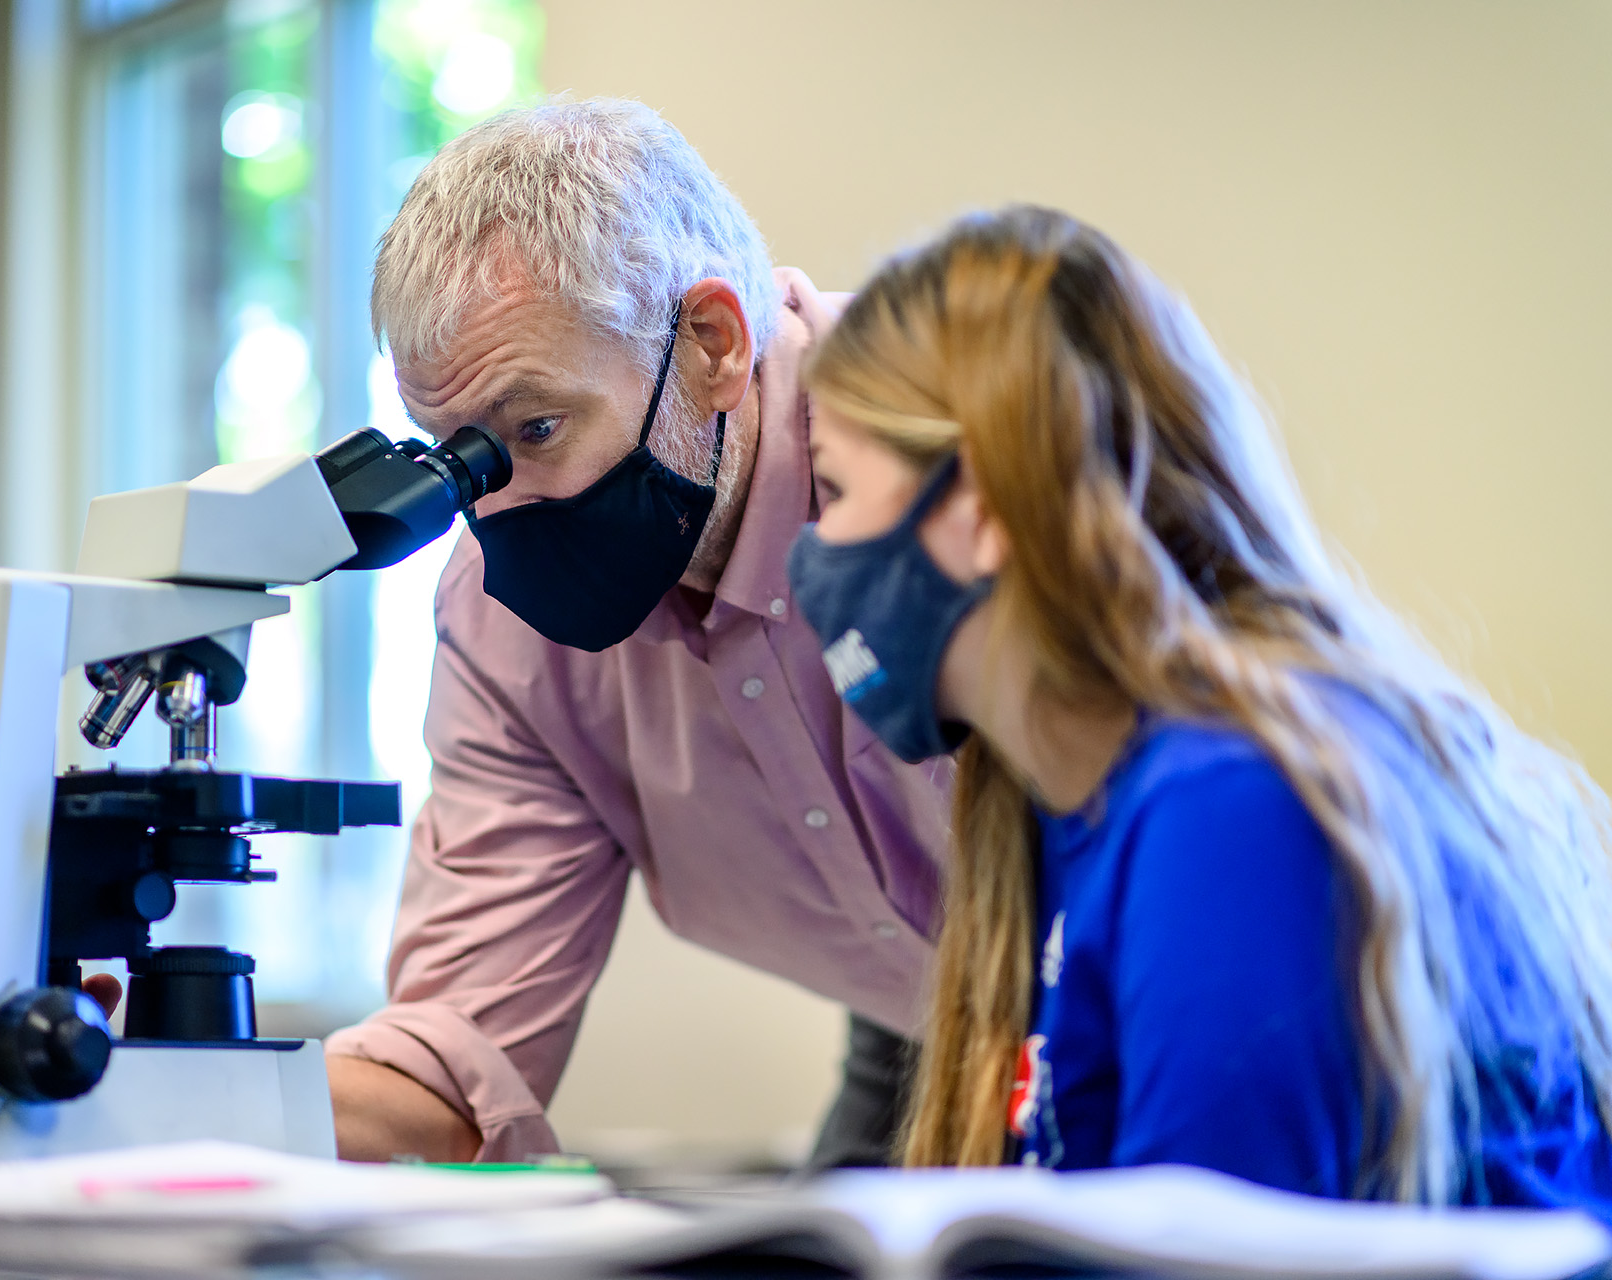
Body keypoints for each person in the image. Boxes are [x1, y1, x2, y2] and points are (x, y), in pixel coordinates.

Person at [784, 204, 1612, 1208]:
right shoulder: (1060, 809)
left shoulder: (1231, 806)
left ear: (985, 507)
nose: (812, 549)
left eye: (833, 488)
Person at [318, 99, 948, 1164]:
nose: (499, 507)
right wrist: (157, 1091)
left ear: (712, 344)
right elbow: (463, 1055)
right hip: (917, 1023)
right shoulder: (503, 630)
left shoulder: (947, 451)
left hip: (1185, 963)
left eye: (538, 429)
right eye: (461, 455)